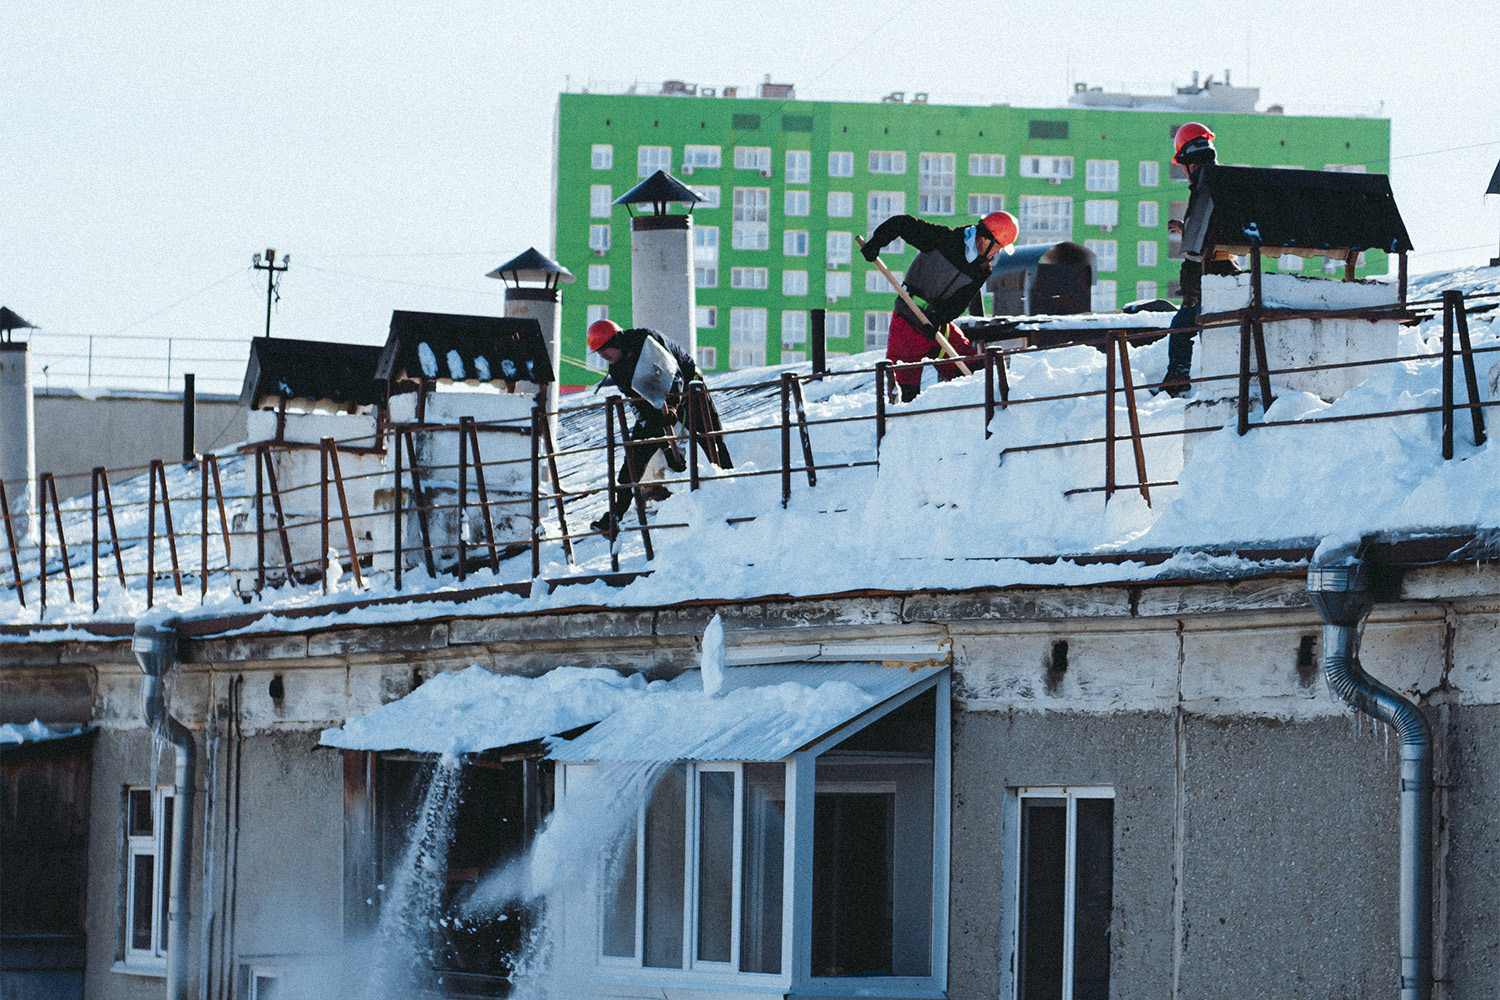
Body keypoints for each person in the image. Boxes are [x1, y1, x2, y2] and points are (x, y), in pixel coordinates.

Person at [586, 319, 731, 539]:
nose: (604, 355)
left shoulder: (645, 340)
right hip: (654, 405)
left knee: (712, 442)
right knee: (635, 454)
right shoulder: (618, 371)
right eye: (599, 353)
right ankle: (614, 516)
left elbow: (674, 374)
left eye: (606, 349)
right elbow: (638, 405)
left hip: (691, 389)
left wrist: (672, 406)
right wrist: (665, 445)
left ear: (617, 340)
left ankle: (733, 492)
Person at [860, 210, 1018, 401]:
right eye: (999, 246)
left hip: (938, 324)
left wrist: (938, 319)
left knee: (973, 368)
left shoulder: (982, 269)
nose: (998, 252)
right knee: (904, 391)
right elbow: (901, 223)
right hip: (908, 321)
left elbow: (959, 303)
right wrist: (876, 242)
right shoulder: (943, 239)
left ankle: (980, 409)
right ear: (986, 239)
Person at [1161, 122, 1243, 397]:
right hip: (1226, 271)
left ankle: (1179, 381)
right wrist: (1188, 230)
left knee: (1184, 328)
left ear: (1188, 161)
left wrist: (1188, 235)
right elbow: (1216, 231)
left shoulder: (1204, 186)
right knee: (1203, 328)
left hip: (1207, 275)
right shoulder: (1223, 183)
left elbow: (1200, 245)